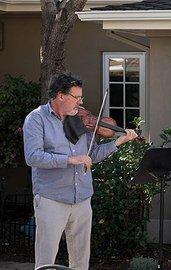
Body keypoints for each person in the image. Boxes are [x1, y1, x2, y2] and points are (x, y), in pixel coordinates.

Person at [23, 73, 139, 270]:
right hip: (52, 199)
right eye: (77, 97)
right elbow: (33, 157)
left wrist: (118, 142)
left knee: (80, 262)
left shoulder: (79, 120)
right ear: (61, 96)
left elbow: (91, 155)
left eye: (81, 98)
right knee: (46, 261)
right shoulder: (36, 119)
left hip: (82, 199)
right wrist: (71, 160)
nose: (81, 102)